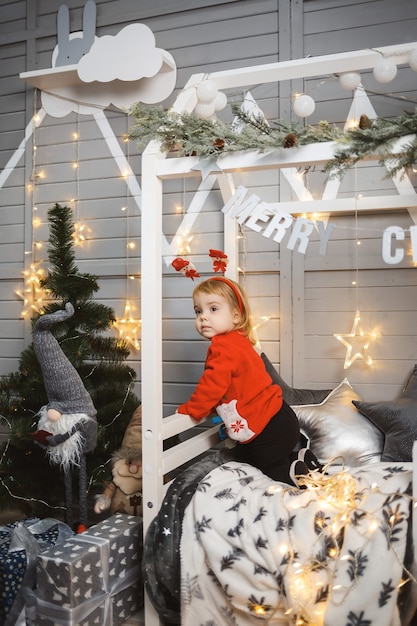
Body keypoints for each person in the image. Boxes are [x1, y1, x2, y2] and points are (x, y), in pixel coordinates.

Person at [176, 276, 317, 486]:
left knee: (268, 466)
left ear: (235, 316)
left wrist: (192, 409)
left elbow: (212, 386)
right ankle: (302, 461)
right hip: (281, 418)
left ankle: (292, 475)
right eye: (198, 311)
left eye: (213, 309)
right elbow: (235, 386)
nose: (203, 317)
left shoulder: (222, 348)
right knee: (249, 457)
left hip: (267, 426)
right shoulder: (240, 342)